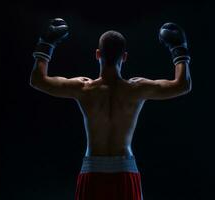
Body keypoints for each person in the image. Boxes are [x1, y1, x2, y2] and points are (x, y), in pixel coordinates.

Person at [30, 18, 192, 200]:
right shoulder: (136, 89)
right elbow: (182, 85)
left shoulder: (84, 88)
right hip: (125, 170)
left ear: (97, 54)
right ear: (124, 57)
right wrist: (179, 50)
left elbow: (38, 80)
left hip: (92, 170)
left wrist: (46, 45)